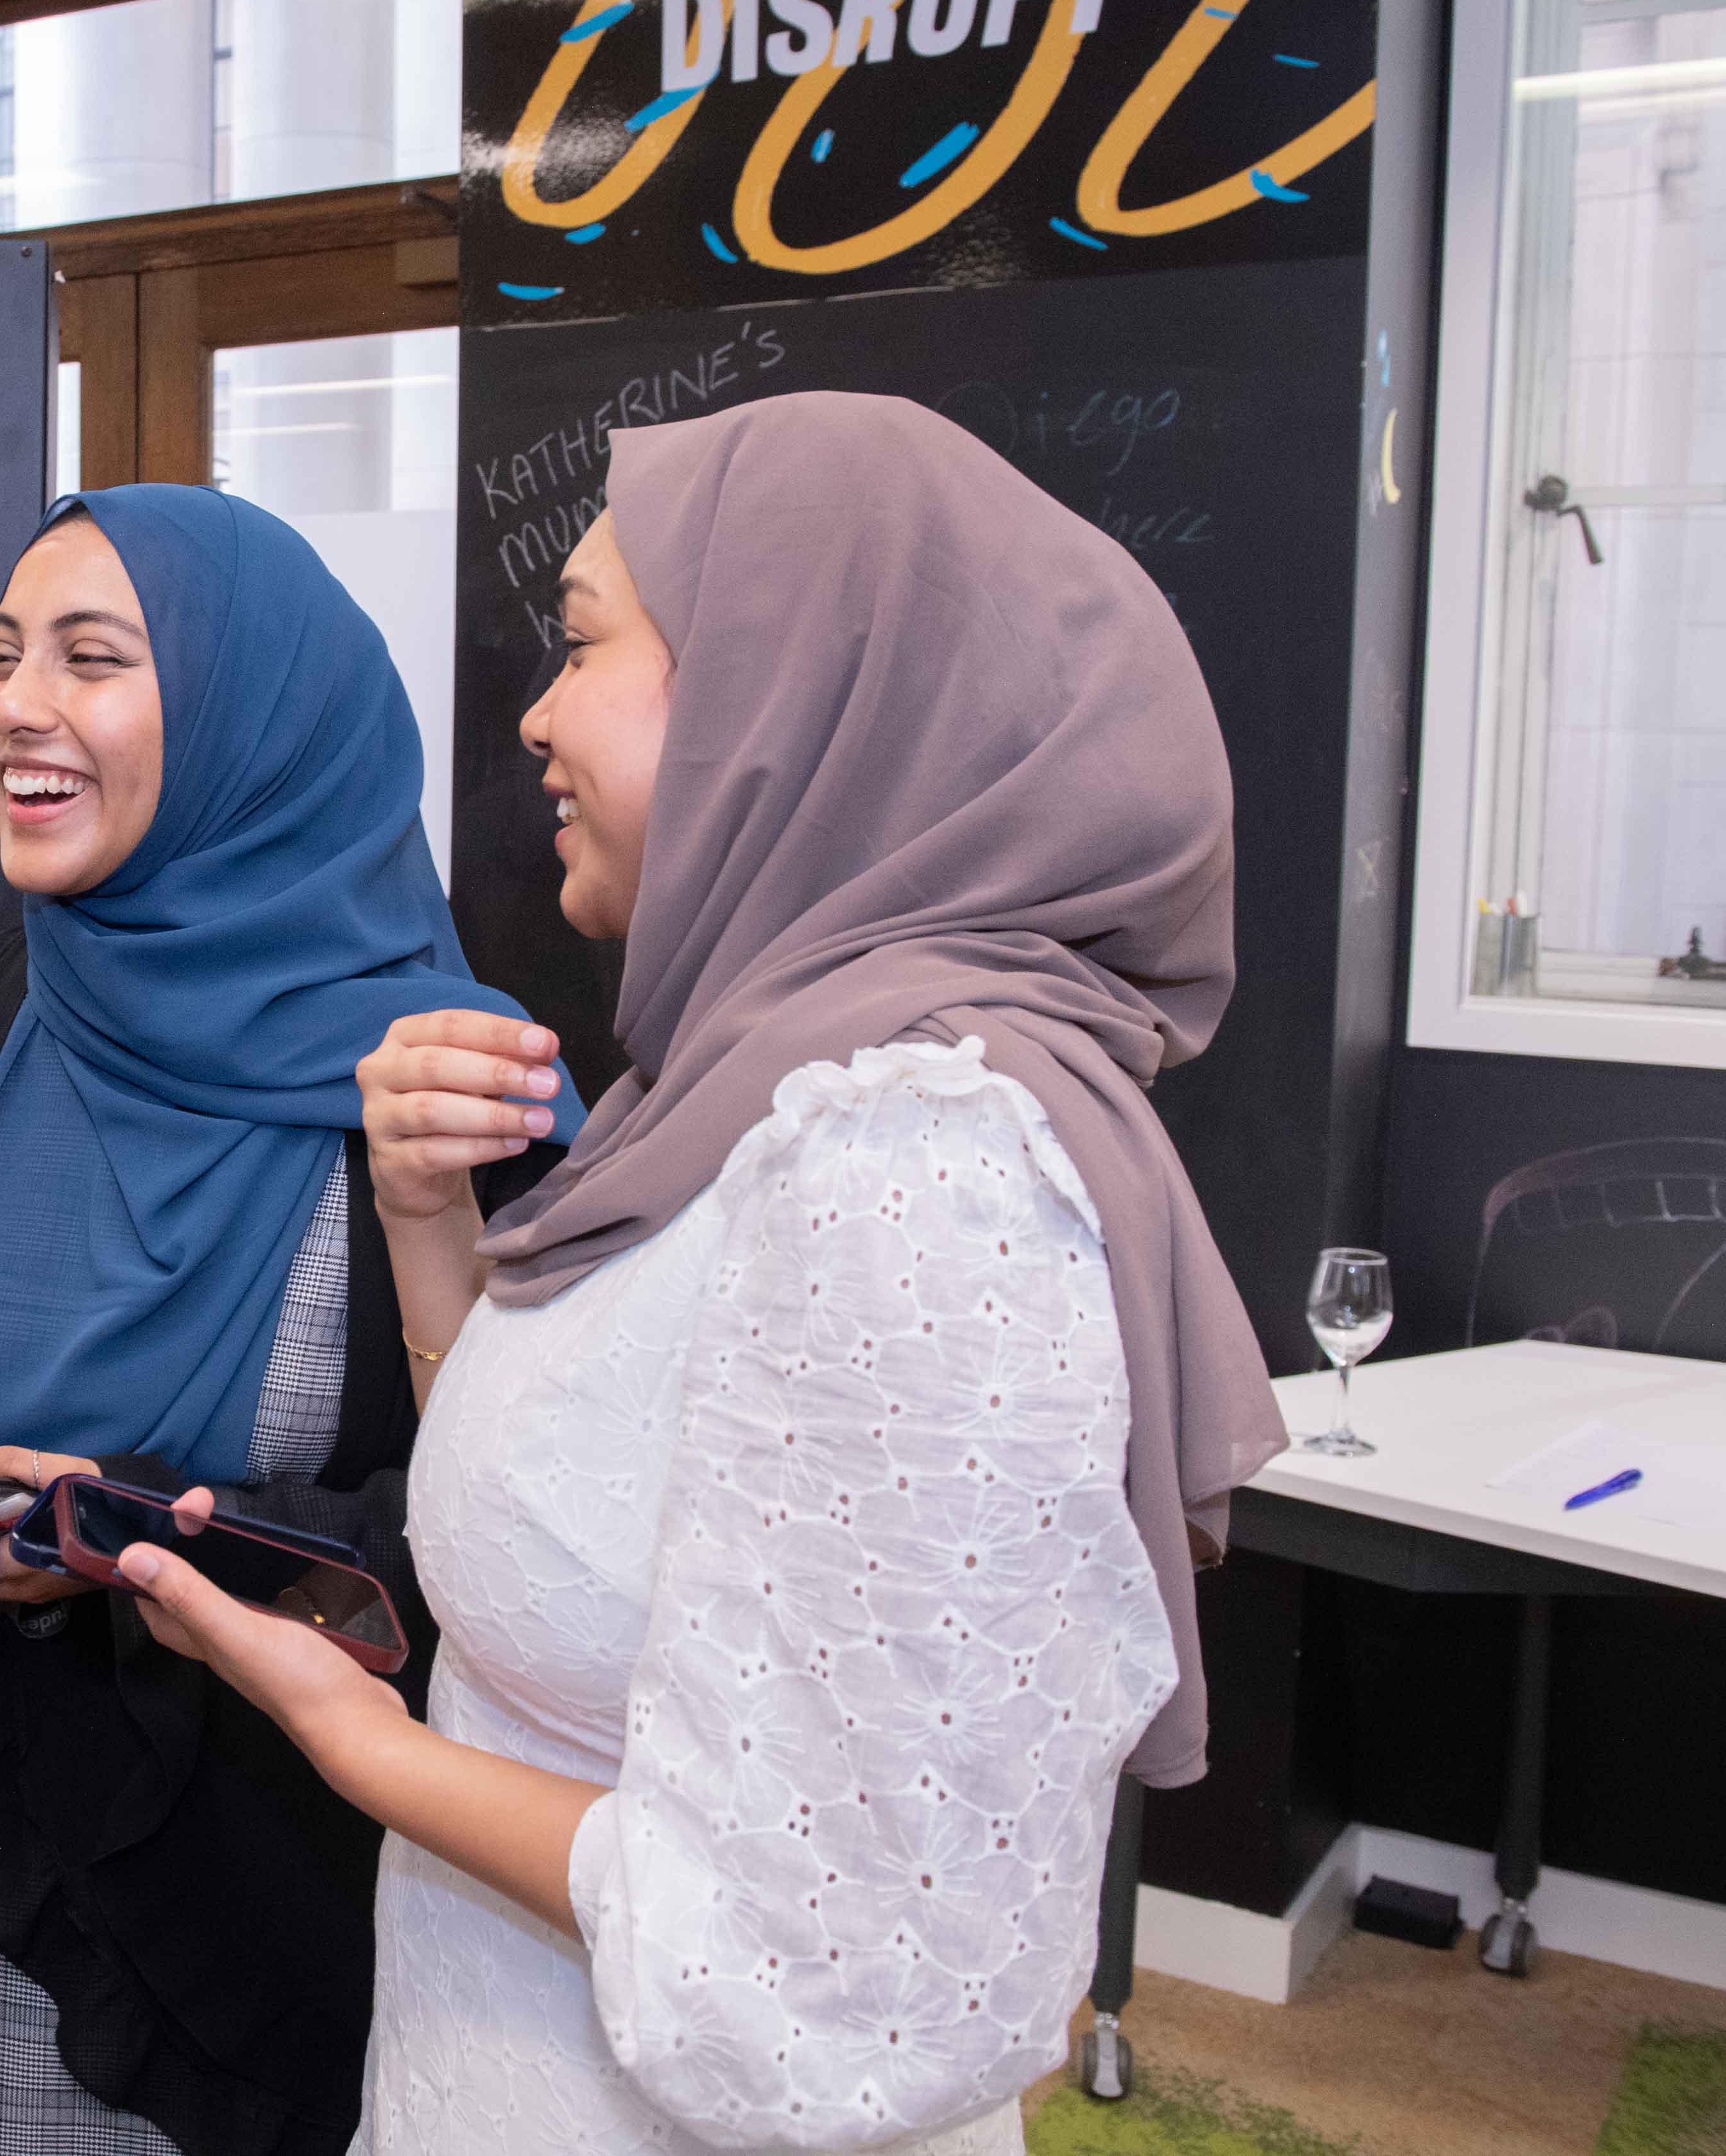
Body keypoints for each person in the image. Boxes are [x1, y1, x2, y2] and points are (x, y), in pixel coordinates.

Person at [75, 392, 1290, 2153]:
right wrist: (424, 1212)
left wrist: (353, 1736)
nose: (533, 716)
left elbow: (817, 1977)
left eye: (580, 647)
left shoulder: (912, 1163)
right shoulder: (743, 1075)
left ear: (792, 690)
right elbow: (575, 1497)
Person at [0, 484, 573, 2156]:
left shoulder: (444, 1082)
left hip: (276, 1889)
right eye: (1, 652)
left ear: (260, 719)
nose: (13, 706)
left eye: (91, 659)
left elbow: (529, 1549)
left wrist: (159, 1535)